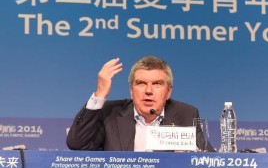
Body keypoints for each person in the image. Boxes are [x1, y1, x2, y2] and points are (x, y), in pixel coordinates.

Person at [66, 56, 210, 151]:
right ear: (131, 90)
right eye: (141, 83)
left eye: (157, 84)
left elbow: (206, 157)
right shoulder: (110, 113)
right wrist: (100, 94)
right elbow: (77, 144)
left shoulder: (186, 114)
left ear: (168, 92)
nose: (148, 90)